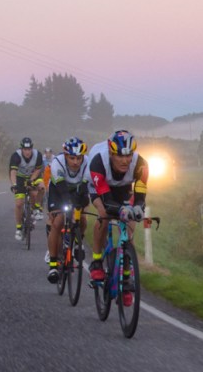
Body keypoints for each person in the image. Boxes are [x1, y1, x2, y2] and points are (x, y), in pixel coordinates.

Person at [87, 130, 149, 306]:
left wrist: (138, 208)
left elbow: (140, 194)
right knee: (105, 214)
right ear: (111, 153)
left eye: (128, 155)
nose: (125, 160)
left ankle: (127, 277)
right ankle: (97, 261)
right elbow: (106, 200)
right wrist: (119, 209)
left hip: (122, 186)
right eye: (119, 156)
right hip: (99, 185)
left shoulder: (140, 164)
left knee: (130, 221)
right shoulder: (98, 161)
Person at [45, 137, 90, 284]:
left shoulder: (88, 163)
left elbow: (84, 189)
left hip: (77, 190)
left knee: (82, 218)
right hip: (58, 190)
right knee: (58, 221)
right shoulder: (57, 163)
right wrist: (67, 207)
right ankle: (53, 264)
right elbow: (62, 191)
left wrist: (79, 205)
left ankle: (77, 242)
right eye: (72, 158)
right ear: (65, 156)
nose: (76, 162)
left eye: (78, 158)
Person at [9, 137, 45, 240]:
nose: (27, 152)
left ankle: (36, 208)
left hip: (34, 175)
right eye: (25, 149)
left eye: (29, 149)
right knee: (19, 204)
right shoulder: (16, 156)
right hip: (19, 178)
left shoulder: (37, 155)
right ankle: (19, 228)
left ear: (32, 149)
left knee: (41, 188)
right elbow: (13, 173)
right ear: (21, 149)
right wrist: (14, 184)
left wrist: (31, 179)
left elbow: (38, 170)